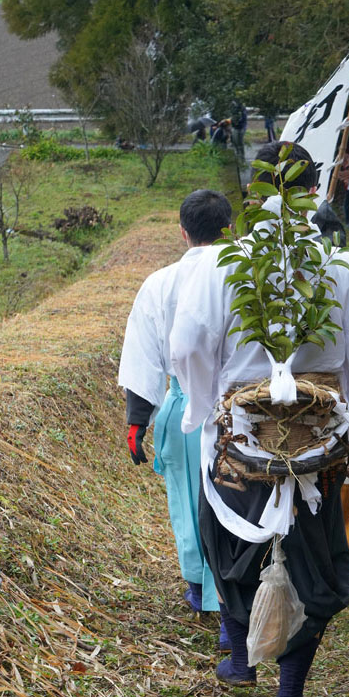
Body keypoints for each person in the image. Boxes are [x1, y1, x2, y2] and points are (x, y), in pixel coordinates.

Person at [170, 142, 349, 697]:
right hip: (317, 448)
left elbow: (189, 345)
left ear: (254, 193)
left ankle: (247, 663)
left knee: (235, 558)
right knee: (313, 565)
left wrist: (203, 404)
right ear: (315, 189)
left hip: (238, 446)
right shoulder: (340, 266)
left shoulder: (226, 263)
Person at [118, 189, 233, 648]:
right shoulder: (245, 276)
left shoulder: (160, 283)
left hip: (183, 405)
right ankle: (236, 605)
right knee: (238, 504)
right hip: (238, 408)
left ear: (182, 232)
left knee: (188, 501)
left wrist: (137, 421)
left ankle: (200, 588)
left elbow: (144, 356)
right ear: (229, 229)